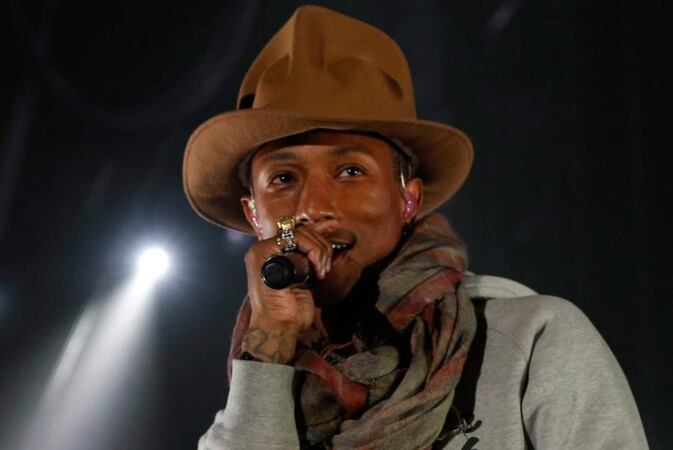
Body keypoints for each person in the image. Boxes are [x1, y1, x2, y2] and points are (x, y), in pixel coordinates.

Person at [184, 5, 648, 450]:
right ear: (253, 215)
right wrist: (266, 354)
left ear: (409, 200)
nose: (313, 207)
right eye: (283, 179)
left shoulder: (531, 341)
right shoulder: (251, 400)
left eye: (350, 172)